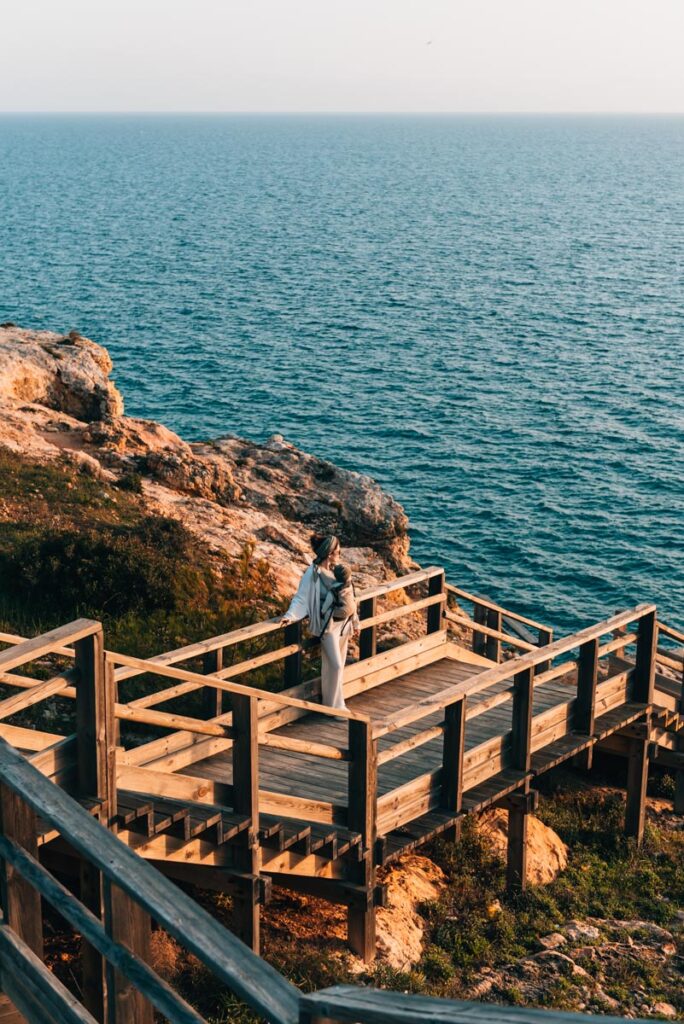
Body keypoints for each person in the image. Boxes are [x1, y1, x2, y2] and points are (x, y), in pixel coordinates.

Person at [281, 534, 359, 710]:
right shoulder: (312, 573)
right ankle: (334, 707)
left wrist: (355, 622)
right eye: (337, 550)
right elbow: (301, 598)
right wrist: (290, 616)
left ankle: (334, 704)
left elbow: (350, 596)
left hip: (343, 624)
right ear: (329, 553)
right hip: (327, 627)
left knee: (336, 666)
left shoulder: (337, 570)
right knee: (336, 666)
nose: (340, 552)